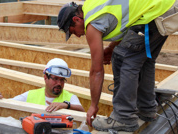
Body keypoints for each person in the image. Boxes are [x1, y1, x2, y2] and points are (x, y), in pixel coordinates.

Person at [57, 0, 177, 132]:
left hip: (155, 13)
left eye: (73, 31)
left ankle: (123, 117)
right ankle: (147, 108)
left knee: (122, 58)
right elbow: (127, 22)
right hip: (165, 8)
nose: (78, 36)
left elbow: (96, 71)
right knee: (144, 58)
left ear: (77, 19)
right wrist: (111, 47)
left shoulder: (91, 23)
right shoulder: (92, 6)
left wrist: (93, 106)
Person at [0, 58, 85, 112]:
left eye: (62, 80)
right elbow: (9, 103)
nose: (59, 83)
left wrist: (65, 105)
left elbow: (82, 111)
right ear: (46, 77)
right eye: (55, 79)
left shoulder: (70, 98)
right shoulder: (30, 95)